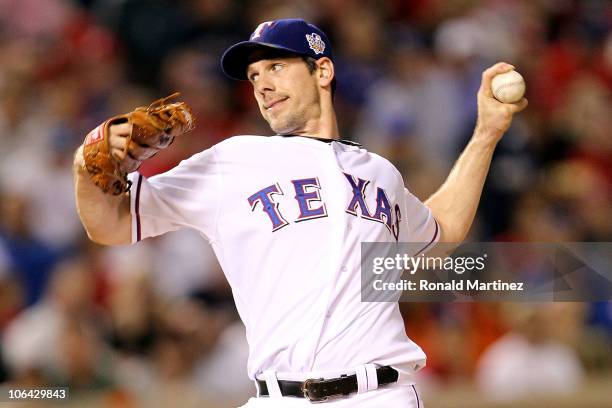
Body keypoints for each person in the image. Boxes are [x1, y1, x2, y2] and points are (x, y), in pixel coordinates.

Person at [73, 18, 527, 407]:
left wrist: (486, 132)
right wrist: (86, 165)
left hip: (380, 394)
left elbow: (441, 231)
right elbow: (109, 224)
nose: (262, 84)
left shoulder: (379, 172)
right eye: (253, 76)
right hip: (278, 397)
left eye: (275, 66)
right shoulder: (231, 160)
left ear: (322, 70)